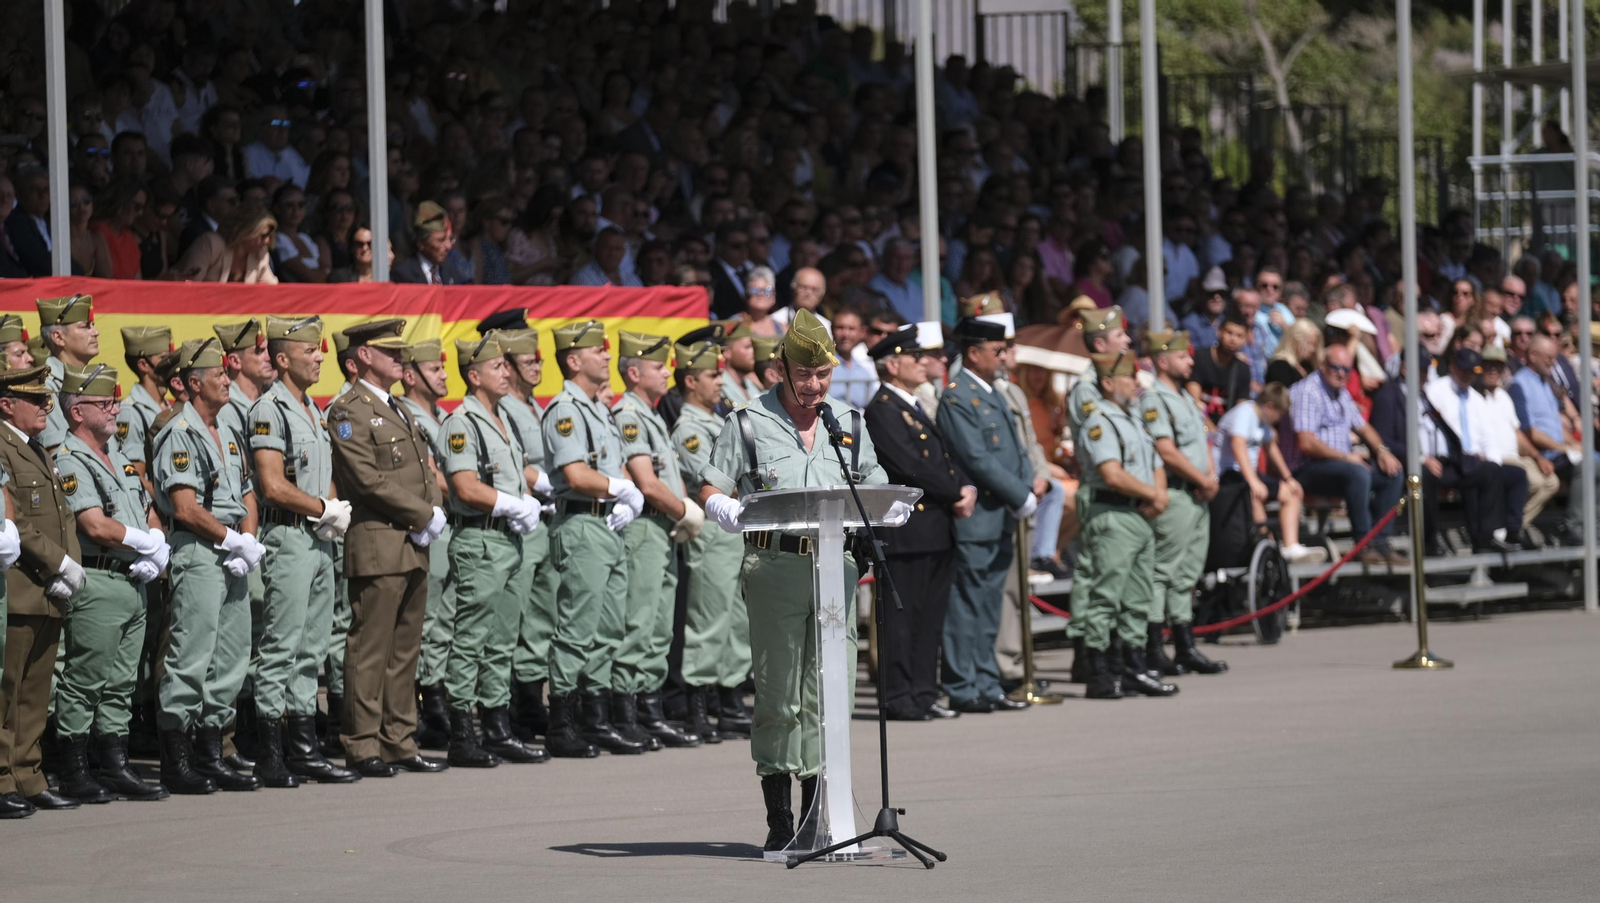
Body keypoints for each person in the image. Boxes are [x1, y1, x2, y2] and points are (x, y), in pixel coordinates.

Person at [696, 308, 898, 851]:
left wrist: (888, 507)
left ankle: (820, 814)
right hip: (775, 566)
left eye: (822, 374)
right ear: (780, 369)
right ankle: (780, 818)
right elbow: (710, 484)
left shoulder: (848, 422)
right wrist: (723, 508)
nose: (813, 386)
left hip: (836, 566)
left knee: (829, 691)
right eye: (803, 374)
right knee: (779, 692)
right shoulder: (747, 422)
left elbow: (874, 481)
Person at [326, 319, 447, 778]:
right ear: (362, 357)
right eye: (390, 351)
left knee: (405, 649)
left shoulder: (398, 407)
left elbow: (421, 469)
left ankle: (399, 740)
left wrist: (430, 512)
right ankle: (362, 744)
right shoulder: (348, 411)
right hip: (378, 541)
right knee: (370, 649)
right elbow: (365, 479)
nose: (400, 358)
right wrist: (422, 514)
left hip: (411, 541)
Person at [247, 317, 363, 788]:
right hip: (290, 536)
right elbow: (273, 485)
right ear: (282, 359)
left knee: (311, 648)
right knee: (281, 645)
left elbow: (322, 475)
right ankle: (271, 752)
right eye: (309, 350)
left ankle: (303, 746)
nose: (319, 357)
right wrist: (323, 508)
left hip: (316, 537)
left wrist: (331, 508)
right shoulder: (269, 409)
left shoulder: (312, 409)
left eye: (318, 349)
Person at [149, 339, 265, 794]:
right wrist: (232, 539)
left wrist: (246, 538)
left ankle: (212, 752)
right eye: (217, 374)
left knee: (231, 655)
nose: (226, 379)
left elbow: (246, 493)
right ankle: (176, 759)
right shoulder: (180, 432)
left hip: (231, 553)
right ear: (194, 383)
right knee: (191, 655)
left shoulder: (226, 429)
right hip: (200, 550)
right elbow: (185, 507)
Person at [52, 364, 171, 805]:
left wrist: (155, 541)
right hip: (99, 577)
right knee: (85, 680)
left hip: (131, 579)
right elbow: (95, 525)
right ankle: (74, 769)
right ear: (77, 411)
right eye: (104, 404)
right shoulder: (70, 459)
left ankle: (115, 765)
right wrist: (144, 542)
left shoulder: (116, 455)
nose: (114, 409)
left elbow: (147, 506)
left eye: (115, 402)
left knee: (121, 682)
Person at [436, 336, 548, 767]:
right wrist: (512, 504)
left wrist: (526, 501)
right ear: (474, 375)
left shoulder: (501, 419)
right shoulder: (462, 422)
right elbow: (465, 487)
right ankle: (462, 732)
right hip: (480, 540)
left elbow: (512, 477)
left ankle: (497, 727)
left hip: (507, 540)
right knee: (471, 639)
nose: (506, 372)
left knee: (502, 639)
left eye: (506, 365)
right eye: (496, 366)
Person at [541, 320, 646, 758]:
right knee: (577, 627)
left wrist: (626, 495)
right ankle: (561, 721)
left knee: (608, 627)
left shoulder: (597, 409)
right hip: (582, 523)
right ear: (573, 360)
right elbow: (575, 475)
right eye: (596, 350)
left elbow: (610, 466)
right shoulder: (565, 409)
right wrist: (621, 488)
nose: (606, 355)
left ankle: (596, 718)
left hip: (606, 524)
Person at [864, 325, 975, 719]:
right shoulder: (882, 409)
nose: (923, 362)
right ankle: (900, 696)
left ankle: (924, 693)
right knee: (903, 618)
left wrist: (965, 485)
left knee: (929, 618)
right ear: (893, 365)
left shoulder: (911, 405)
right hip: (908, 530)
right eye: (914, 357)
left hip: (935, 527)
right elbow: (910, 466)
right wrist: (955, 491)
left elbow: (943, 457)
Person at [609, 333, 706, 749]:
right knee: (639, 621)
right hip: (646, 526)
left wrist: (680, 509)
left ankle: (649, 709)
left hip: (662, 527)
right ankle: (626, 710)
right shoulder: (628, 414)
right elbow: (647, 484)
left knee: (660, 624)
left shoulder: (650, 415)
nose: (667, 372)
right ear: (634, 373)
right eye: (657, 366)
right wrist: (685, 510)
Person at [937, 316, 1035, 714]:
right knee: (968, 603)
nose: (1004, 357)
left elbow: (1017, 450)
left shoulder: (993, 392)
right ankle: (963, 685)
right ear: (974, 354)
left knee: (990, 602)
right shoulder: (958, 397)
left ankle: (987, 680)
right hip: (979, 516)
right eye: (997, 351)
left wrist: (1025, 486)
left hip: (1001, 513)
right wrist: (1019, 494)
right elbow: (976, 457)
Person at [1073, 352, 1178, 699]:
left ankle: (1134, 667)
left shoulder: (1133, 418)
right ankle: (1098, 671)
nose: (1136, 383)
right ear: (1107, 382)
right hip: (1114, 514)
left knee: (1138, 596)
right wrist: (1153, 494)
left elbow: (1155, 461)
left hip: (1139, 514)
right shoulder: (1100, 421)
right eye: (1128, 377)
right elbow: (1112, 474)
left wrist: (1158, 495)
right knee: (1106, 595)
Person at [669, 338, 748, 743]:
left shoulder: (718, 421)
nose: (720, 382)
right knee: (709, 617)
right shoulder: (690, 429)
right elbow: (717, 480)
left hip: (736, 530)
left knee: (738, 619)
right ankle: (696, 705)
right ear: (690, 381)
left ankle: (731, 701)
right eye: (711, 376)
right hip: (714, 532)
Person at [1138, 331, 1230, 677]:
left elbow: (1203, 440)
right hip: (1177, 492)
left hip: (1197, 494)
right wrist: (1201, 479)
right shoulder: (1154, 399)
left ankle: (1185, 645)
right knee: (1163, 571)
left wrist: (1210, 476)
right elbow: (1166, 450)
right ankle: (1153, 647)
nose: (1190, 361)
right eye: (1182, 356)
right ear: (1162, 361)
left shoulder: (1186, 398)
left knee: (1187, 573)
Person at [488, 326, 559, 744]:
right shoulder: (505, 409)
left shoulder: (533, 406)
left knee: (541, 613)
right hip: (522, 520)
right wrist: (545, 482)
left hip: (544, 519)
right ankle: (515, 703)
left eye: (538, 359)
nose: (537, 366)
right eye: (528, 361)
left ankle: (532, 699)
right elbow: (515, 463)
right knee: (514, 615)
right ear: (510, 366)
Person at [1282, 344, 1408, 566]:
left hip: (1340, 466)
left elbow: (1363, 428)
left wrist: (1382, 451)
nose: (1341, 373)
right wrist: (1344, 457)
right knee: (1358, 473)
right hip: (1306, 468)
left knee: (1393, 474)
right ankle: (1363, 544)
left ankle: (1380, 542)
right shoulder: (1308, 391)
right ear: (1323, 365)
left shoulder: (1341, 393)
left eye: (1346, 369)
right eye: (1336, 367)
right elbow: (1306, 442)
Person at [394, 337, 455, 749]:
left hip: (447, 527)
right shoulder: (407, 416)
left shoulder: (441, 416)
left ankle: (437, 699)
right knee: (426, 621)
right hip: (427, 527)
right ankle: (423, 706)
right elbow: (432, 476)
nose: (444, 375)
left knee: (443, 621)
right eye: (435, 369)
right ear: (411, 376)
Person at [1420, 348, 1520, 555]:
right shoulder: (1435, 391)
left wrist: (1492, 463)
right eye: (1463, 370)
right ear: (1453, 367)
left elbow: (1488, 437)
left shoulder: (1476, 399)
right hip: (1445, 459)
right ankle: (1430, 542)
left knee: (1497, 471)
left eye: (1472, 371)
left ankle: (1489, 536)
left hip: (1470, 461)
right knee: (1446, 475)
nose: (1467, 375)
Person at [1216, 385, 1327, 564]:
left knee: (1292, 493)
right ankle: (1266, 544)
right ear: (1269, 407)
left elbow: (1271, 448)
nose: (1279, 420)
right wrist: (1253, 481)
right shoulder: (1244, 413)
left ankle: (1290, 547)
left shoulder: (1262, 420)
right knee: (1254, 495)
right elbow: (1238, 445)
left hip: (1248, 473)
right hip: (1228, 473)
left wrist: (1289, 479)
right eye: (1279, 414)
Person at [1478, 345, 1558, 545]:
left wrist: (1538, 457)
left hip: (1516, 457)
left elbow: (1517, 432)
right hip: (1496, 459)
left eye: (1498, 366)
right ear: (1480, 367)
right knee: (1535, 481)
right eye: (1488, 365)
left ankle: (1512, 527)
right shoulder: (1474, 395)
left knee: (1552, 482)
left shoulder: (1504, 396)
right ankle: (1509, 528)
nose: (1493, 370)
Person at [36, 293, 101, 452]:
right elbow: (58, 451)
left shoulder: (92, 381)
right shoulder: (47, 387)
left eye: (93, 325)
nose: (95, 332)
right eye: (85, 326)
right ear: (58, 337)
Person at [115, 326, 173, 488]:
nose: (171, 364)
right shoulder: (132, 412)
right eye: (164, 358)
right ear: (143, 365)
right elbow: (134, 476)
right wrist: (166, 501)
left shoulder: (166, 405)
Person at [175, 203, 279, 283]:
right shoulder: (211, 243)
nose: (267, 241)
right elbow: (189, 284)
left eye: (269, 236)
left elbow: (272, 289)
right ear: (243, 231)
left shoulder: (260, 253)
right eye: (263, 236)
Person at [1186, 314, 1253, 424]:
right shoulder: (1200, 358)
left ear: (1244, 340)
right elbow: (1193, 400)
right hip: (1196, 423)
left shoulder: (1243, 369)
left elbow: (1241, 409)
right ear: (1219, 332)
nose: (1233, 339)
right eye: (1229, 333)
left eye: (1239, 336)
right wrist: (1211, 429)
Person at [393, 201, 470, 285]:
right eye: (441, 240)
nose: (449, 246)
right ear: (421, 243)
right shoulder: (404, 275)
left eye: (450, 239)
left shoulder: (450, 270)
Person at [719, 320, 765, 408]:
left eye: (753, 347)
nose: (753, 351)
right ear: (727, 352)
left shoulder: (751, 385)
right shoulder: (720, 387)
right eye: (747, 347)